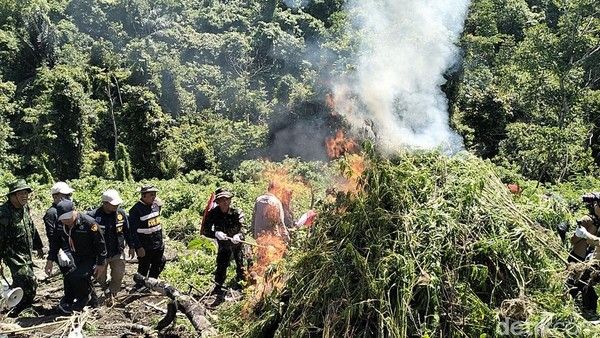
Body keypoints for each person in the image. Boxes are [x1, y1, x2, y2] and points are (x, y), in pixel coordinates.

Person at [45, 200, 106, 313]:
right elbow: (55, 243)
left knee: (78, 276)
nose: (66, 221)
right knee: (69, 276)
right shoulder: (60, 224)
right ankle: (91, 303)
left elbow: (100, 244)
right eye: (63, 219)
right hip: (74, 255)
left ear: (74, 211)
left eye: (68, 218)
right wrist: (50, 260)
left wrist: (101, 263)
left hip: (90, 257)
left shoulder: (89, 223)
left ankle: (83, 300)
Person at [0, 179, 44, 315]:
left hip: (26, 253)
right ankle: (19, 308)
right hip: (13, 254)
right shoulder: (3, 212)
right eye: (21, 193)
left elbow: (31, 226)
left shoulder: (25, 208)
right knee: (28, 280)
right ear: (12, 196)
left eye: (26, 193)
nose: (25, 196)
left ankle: (19, 302)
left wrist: (38, 246)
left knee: (23, 281)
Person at [88, 189, 133, 298]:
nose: (116, 206)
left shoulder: (121, 214)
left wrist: (132, 246)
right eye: (114, 204)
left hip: (117, 251)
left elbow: (127, 230)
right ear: (104, 203)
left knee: (118, 274)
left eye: (117, 204)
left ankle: (113, 293)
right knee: (99, 276)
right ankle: (105, 287)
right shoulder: (93, 216)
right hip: (100, 255)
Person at [203, 189, 246, 294]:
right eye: (222, 200)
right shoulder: (213, 213)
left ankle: (243, 286)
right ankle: (218, 287)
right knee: (221, 265)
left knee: (241, 265)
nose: (225, 202)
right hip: (224, 245)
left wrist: (239, 235)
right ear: (217, 202)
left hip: (237, 244)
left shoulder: (237, 212)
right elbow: (205, 230)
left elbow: (244, 228)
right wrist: (215, 234)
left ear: (230, 200)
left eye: (227, 199)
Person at [568, 192, 600, 319]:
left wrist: (586, 235)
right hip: (580, 257)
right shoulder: (588, 220)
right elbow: (573, 240)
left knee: (585, 284)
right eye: (597, 204)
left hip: (592, 260)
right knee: (577, 283)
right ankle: (578, 309)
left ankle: (589, 312)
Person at [43, 181, 75, 306]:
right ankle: (69, 301)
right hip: (62, 250)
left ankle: (74, 299)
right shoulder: (52, 213)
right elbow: (53, 237)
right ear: (55, 196)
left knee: (75, 274)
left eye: (68, 195)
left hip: (72, 248)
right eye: (65, 195)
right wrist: (57, 253)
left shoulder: (68, 208)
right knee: (69, 275)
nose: (68, 198)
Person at [129, 185, 165, 286]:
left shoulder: (155, 205)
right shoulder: (135, 210)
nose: (154, 197)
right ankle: (139, 287)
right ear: (143, 196)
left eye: (155, 194)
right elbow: (132, 231)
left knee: (159, 262)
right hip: (145, 246)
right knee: (143, 268)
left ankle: (151, 284)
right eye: (151, 195)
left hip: (158, 243)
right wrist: (138, 247)